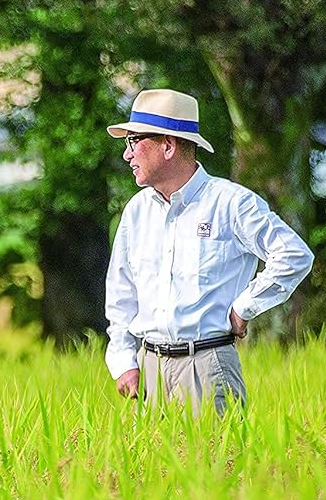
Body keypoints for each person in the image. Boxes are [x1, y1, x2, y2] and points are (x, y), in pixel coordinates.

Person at [104, 88, 314, 412]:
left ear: (168, 145)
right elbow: (121, 291)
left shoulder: (231, 203)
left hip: (207, 366)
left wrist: (245, 306)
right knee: (150, 450)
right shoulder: (136, 211)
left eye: (133, 141)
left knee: (216, 447)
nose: (127, 155)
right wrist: (123, 359)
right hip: (149, 372)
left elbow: (294, 255)